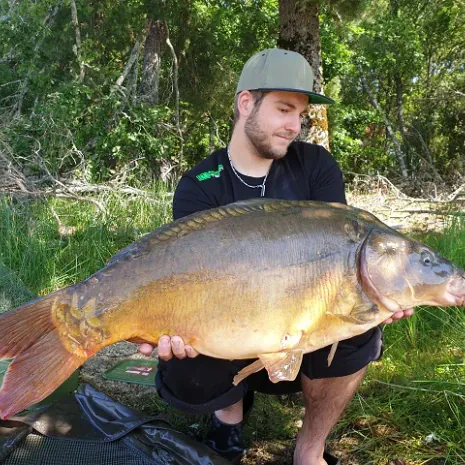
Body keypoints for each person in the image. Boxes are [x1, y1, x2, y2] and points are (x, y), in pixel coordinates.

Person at [139, 48, 413, 465]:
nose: (293, 126)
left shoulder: (317, 167)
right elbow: (189, 281)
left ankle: (310, 449)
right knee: (184, 362)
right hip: (232, 325)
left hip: (303, 323)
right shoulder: (200, 185)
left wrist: (381, 288)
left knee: (361, 328)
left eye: (300, 114)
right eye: (284, 109)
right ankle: (229, 416)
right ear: (246, 102)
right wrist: (165, 323)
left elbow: (341, 257)